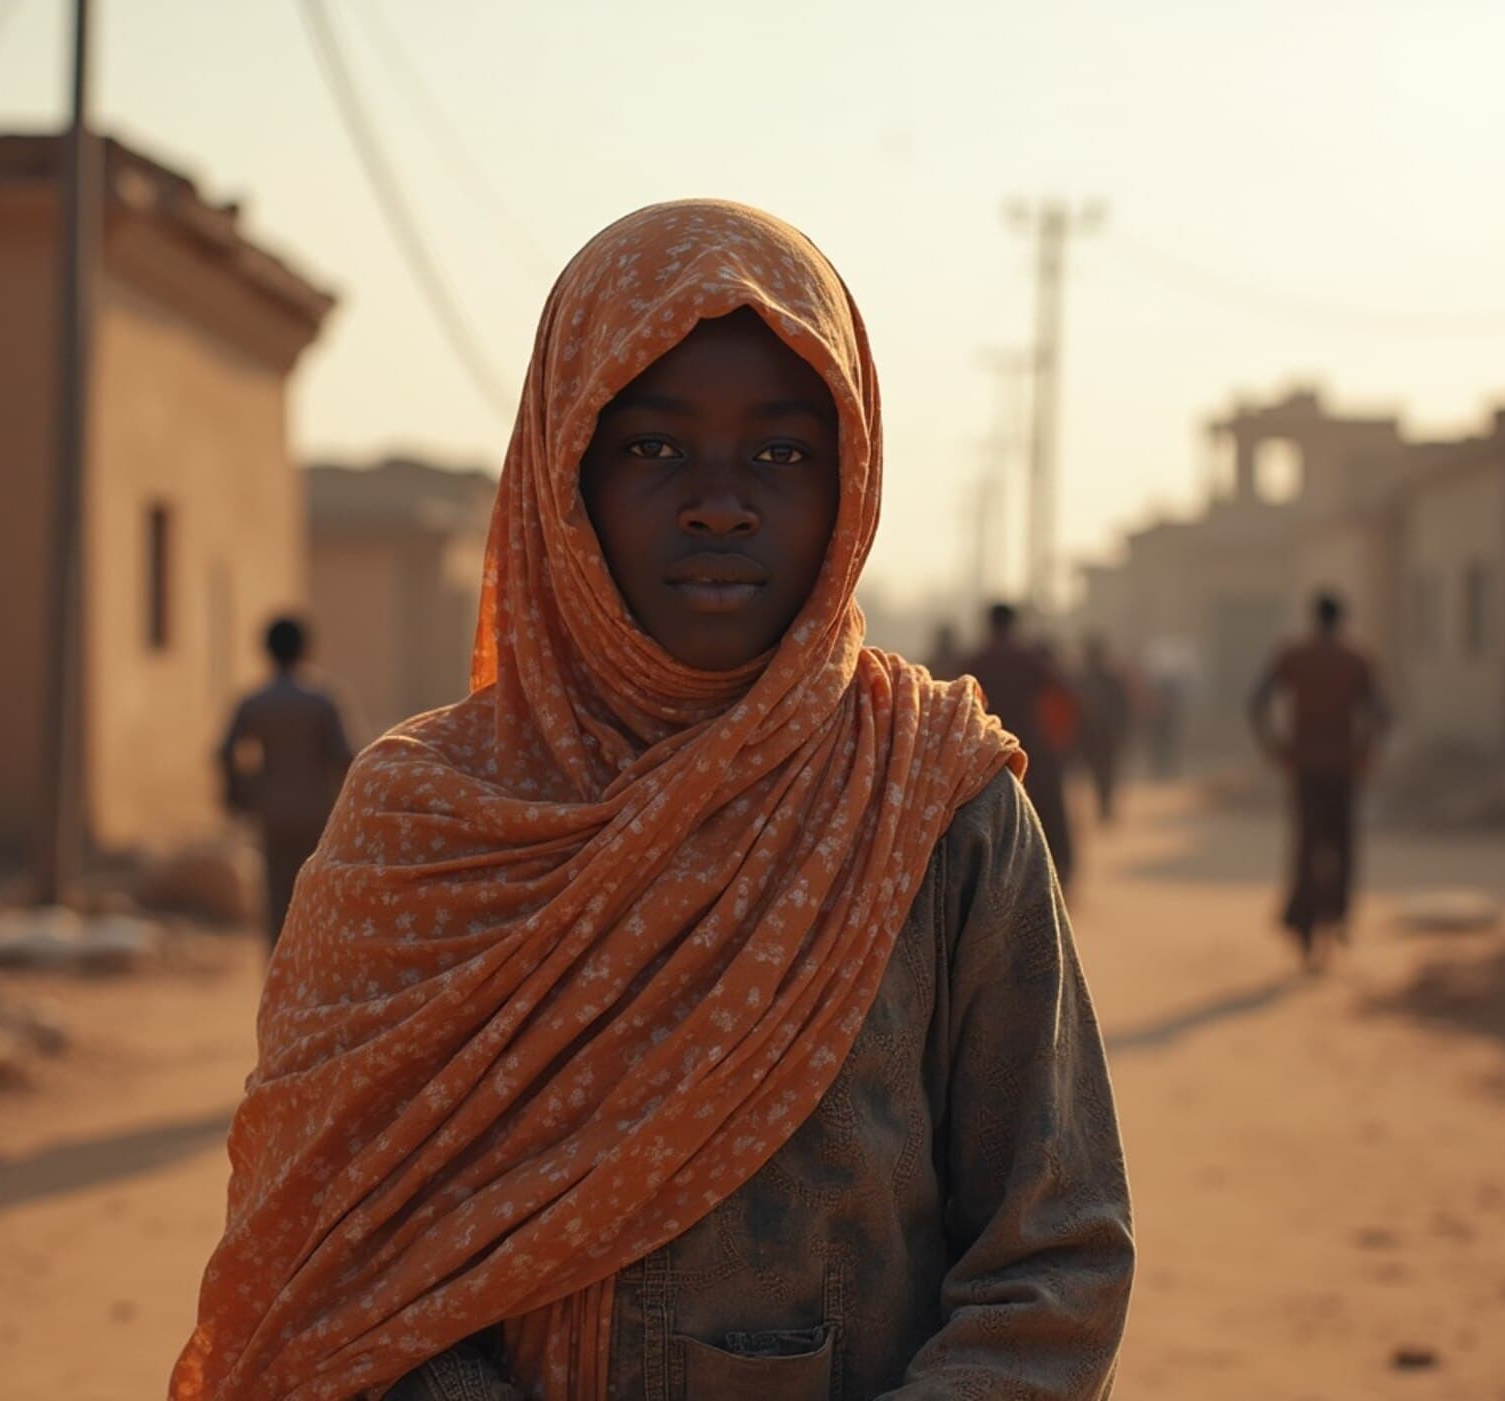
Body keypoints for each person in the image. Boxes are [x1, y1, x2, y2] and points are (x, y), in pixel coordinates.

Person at [173, 201, 1131, 1401]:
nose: (719, 502)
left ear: (850, 486)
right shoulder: (418, 823)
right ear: (559, 477)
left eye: (781, 454)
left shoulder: (934, 806)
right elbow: (324, 1288)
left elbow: (1053, 1259)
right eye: (652, 448)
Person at [1249, 592, 1390, 968]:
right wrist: (1365, 750)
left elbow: (1258, 702)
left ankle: (1304, 923)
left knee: (1306, 845)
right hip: (1343, 767)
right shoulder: (1356, 658)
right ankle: (1338, 915)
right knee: (1341, 844)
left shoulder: (1294, 656)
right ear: (1342, 619)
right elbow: (1381, 712)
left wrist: (1274, 747)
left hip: (1304, 765)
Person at [216, 616, 357, 948]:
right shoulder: (323, 700)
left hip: (272, 810)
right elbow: (346, 756)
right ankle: (312, 965)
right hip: (318, 812)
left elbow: (225, 752)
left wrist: (236, 794)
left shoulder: (253, 702)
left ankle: (278, 969)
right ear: (306, 650)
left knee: (278, 895)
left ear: (266, 650)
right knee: (317, 892)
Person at [961, 602, 1079, 895]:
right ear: (1015, 625)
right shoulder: (1030, 659)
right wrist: (1058, 740)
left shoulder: (977, 661)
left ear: (989, 624)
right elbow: (1065, 695)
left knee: (984, 822)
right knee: (1048, 814)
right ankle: (1057, 877)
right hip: (1032, 749)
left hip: (987, 753)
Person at [1077, 636, 1132, 825]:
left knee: (1104, 771)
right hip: (1092, 734)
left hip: (1103, 733)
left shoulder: (1104, 679)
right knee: (1100, 771)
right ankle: (1102, 805)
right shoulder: (1083, 679)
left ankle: (1104, 805)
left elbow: (1122, 706)